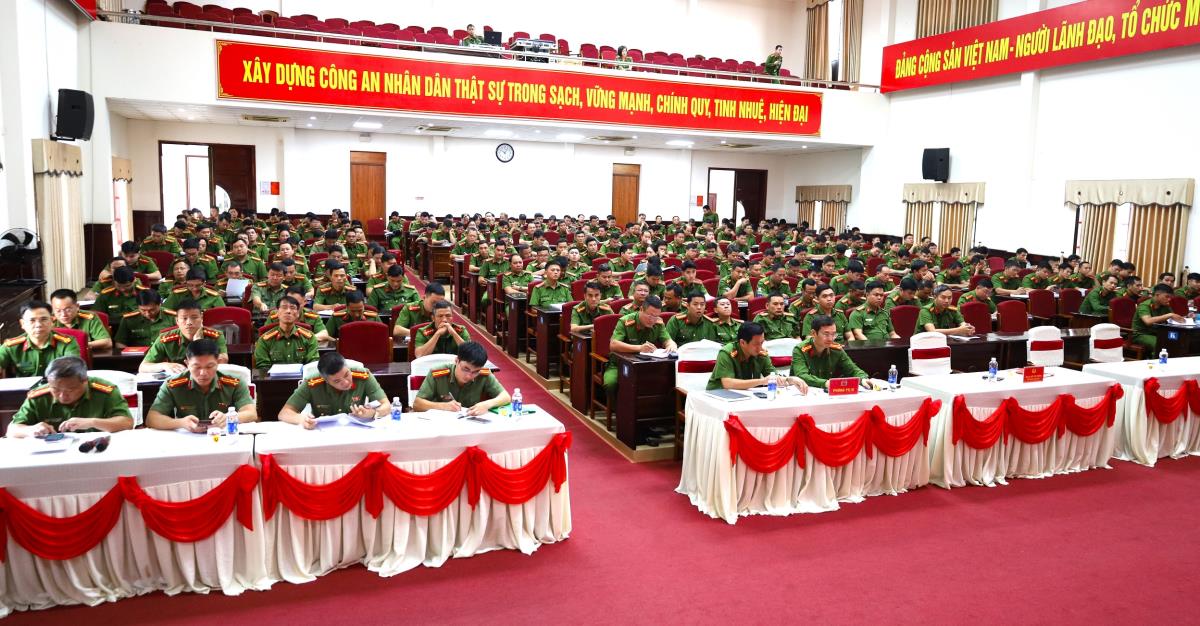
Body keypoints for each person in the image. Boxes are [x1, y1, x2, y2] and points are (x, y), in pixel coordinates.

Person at [145, 339, 257, 432]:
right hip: (189, 438)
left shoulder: (234, 383)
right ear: (187, 364)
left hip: (223, 436)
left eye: (209, 366)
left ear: (218, 362)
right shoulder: (173, 385)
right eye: (197, 367)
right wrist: (181, 423)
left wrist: (228, 417)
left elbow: (251, 413)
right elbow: (152, 418)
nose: (203, 373)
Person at [5, 356, 133, 438]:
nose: (62, 396)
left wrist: (92, 422)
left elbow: (127, 423)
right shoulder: (38, 396)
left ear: (85, 381)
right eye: (55, 389)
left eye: (70, 390)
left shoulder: (105, 391)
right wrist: (30, 430)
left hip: (96, 449)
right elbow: (12, 430)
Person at [279, 352, 389, 428]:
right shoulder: (312, 382)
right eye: (337, 381)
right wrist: (302, 419)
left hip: (355, 432)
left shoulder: (363, 375)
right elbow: (284, 413)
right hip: (322, 434)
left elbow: (386, 406)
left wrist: (373, 413)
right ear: (326, 381)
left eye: (346, 375)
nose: (346, 382)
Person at [604, 296, 677, 396]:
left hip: (646, 366)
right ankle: (618, 405)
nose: (652, 320)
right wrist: (639, 348)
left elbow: (668, 340)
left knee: (664, 383)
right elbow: (613, 345)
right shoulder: (625, 321)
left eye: (656, 316)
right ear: (641, 309)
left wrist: (671, 345)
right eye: (650, 315)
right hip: (620, 365)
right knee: (610, 383)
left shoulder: (658, 323)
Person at [414, 341, 510, 416]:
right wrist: (443, 406)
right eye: (465, 369)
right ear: (457, 361)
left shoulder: (483, 374)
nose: (469, 376)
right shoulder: (438, 373)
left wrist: (486, 404)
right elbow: (417, 404)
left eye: (475, 371)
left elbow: (506, 397)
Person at [707, 322, 806, 391]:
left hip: (745, 395)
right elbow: (727, 383)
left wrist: (789, 380)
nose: (760, 347)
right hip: (718, 395)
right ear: (742, 342)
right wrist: (762, 381)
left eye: (762, 342)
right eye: (756, 344)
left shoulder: (761, 353)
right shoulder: (727, 353)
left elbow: (773, 376)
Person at [139, 300, 229, 373]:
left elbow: (223, 360)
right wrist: (165, 365)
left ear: (201, 318)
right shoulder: (165, 338)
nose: (189, 322)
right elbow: (143, 367)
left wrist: (198, 344)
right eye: (184, 318)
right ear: (177, 320)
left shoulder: (215, 336)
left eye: (194, 317)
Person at [0, 302, 81, 378]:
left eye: (44, 319)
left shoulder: (67, 343)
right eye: (32, 320)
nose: (38, 325)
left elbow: (71, 372)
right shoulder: (11, 346)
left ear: (52, 321)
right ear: (23, 324)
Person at [790, 315, 869, 390]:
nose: (830, 339)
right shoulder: (801, 350)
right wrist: (826, 383)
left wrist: (863, 380)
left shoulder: (836, 349)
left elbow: (853, 370)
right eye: (826, 334)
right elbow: (802, 376)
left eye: (833, 334)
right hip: (802, 391)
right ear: (813, 333)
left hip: (826, 392)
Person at [254, 296, 320, 367]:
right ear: (277, 312)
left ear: (298, 313)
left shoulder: (309, 338)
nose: (288, 311)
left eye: (292, 308)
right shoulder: (265, 340)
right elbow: (263, 367)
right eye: (284, 307)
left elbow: (312, 364)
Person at [1131, 284, 1187, 350]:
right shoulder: (1145, 305)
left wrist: (1182, 319)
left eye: (1170, 297)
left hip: (1158, 332)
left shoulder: (1165, 306)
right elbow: (1148, 321)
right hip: (1141, 334)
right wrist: (1169, 315)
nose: (1169, 299)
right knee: (1160, 344)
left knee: (1178, 340)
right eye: (1167, 296)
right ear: (1157, 295)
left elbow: (1174, 318)